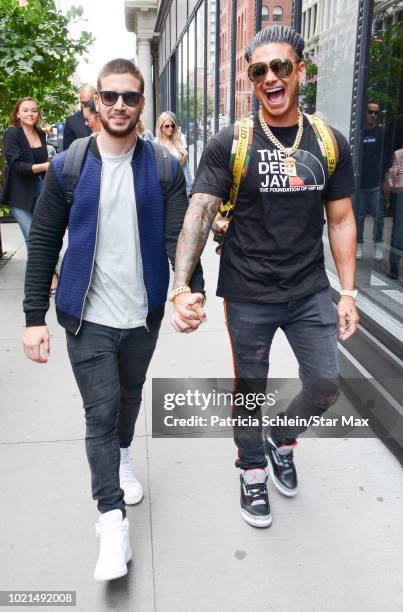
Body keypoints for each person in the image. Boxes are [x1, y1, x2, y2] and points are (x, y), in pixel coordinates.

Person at [22, 58, 204, 581]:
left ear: (141, 104)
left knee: (128, 396)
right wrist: (34, 316)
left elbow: (178, 239)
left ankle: (124, 457)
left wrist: (186, 292)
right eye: (110, 97)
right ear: (96, 103)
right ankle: (111, 520)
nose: (119, 105)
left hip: (140, 316)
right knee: (98, 413)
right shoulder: (69, 166)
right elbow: (42, 244)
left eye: (130, 97)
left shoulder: (164, 169)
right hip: (87, 318)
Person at [171, 25, 359, 528]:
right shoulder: (232, 142)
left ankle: (281, 438)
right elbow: (200, 211)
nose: (271, 78)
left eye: (281, 67)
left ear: (300, 70)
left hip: (309, 291)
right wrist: (180, 285)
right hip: (249, 291)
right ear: (251, 80)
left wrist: (348, 291)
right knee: (250, 387)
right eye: (259, 71)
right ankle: (251, 467)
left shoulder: (328, 141)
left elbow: (340, 219)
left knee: (324, 384)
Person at [1, 97, 58, 295]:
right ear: (17, 113)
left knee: (46, 235)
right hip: (19, 194)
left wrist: (49, 165)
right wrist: (44, 166)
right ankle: (50, 278)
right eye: (25, 110)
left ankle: (44, 276)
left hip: (40, 190)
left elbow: (43, 164)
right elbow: (16, 166)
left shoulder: (40, 133)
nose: (30, 114)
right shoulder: (12, 134)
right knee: (33, 238)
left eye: (34, 110)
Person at [354, 101, 385, 260]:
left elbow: (385, 157)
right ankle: (358, 245)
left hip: (375, 184)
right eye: (370, 112)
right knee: (358, 216)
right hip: (360, 183)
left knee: (378, 216)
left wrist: (384, 180)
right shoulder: (358, 132)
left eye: (376, 113)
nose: (373, 115)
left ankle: (378, 245)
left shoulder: (381, 132)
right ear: (364, 113)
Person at [155, 111, 193, 195]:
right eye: (167, 126)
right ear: (160, 127)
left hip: (181, 184)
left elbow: (182, 167)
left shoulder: (176, 141)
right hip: (166, 188)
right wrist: (184, 156)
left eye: (172, 125)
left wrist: (185, 156)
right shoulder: (156, 145)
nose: (170, 128)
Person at [62, 85, 95, 150]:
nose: (84, 106)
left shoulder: (106, 117)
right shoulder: (72, 122)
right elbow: (67, 152)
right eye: (82, 103)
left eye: (88, 103)